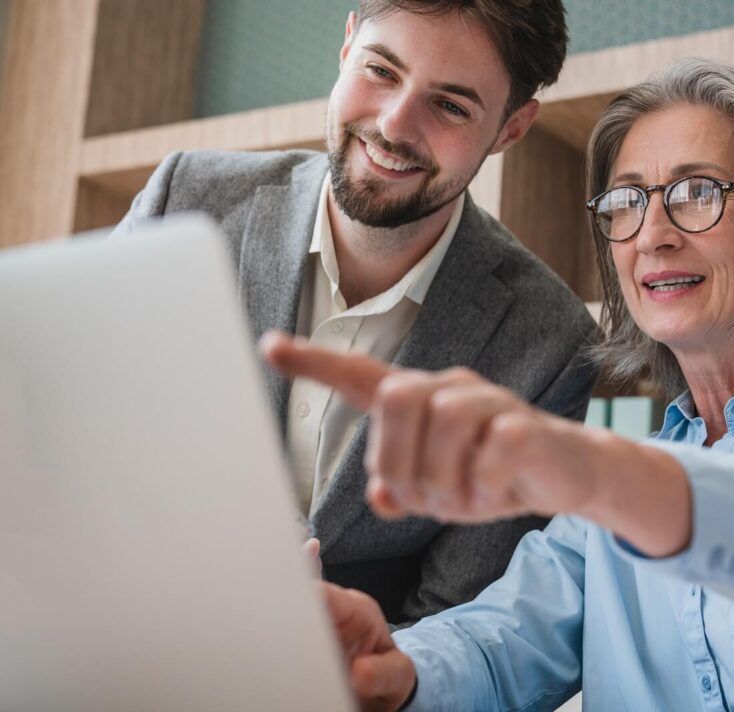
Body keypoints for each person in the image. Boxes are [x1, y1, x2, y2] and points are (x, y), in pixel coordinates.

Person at [262, 59, 734, 711]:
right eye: (625, 202)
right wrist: (397, 670)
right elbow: (498, 640)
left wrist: (599, 474)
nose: (652, 234)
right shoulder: (617, 478)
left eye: (697, 193)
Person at [112, 1, 597, 626]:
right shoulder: (185, 199)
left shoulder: (550, 345)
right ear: (347, 46)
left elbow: (457, 629)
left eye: (451, 106)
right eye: (381, 71)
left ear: (511, 129)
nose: (394, 125)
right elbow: (60, 430)